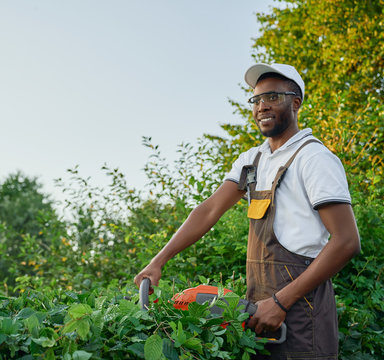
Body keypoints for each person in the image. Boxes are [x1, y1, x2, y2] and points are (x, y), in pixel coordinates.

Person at [133, 63, 361, 358]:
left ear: (296, 102)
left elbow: (346, 241)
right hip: (258, 309)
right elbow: (209, 209)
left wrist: (280, 303)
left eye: (273, 98)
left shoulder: (313, 158)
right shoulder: (252, 160)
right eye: (256, 100)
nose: (262, 106)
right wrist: (158, 260)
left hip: (304, 312)